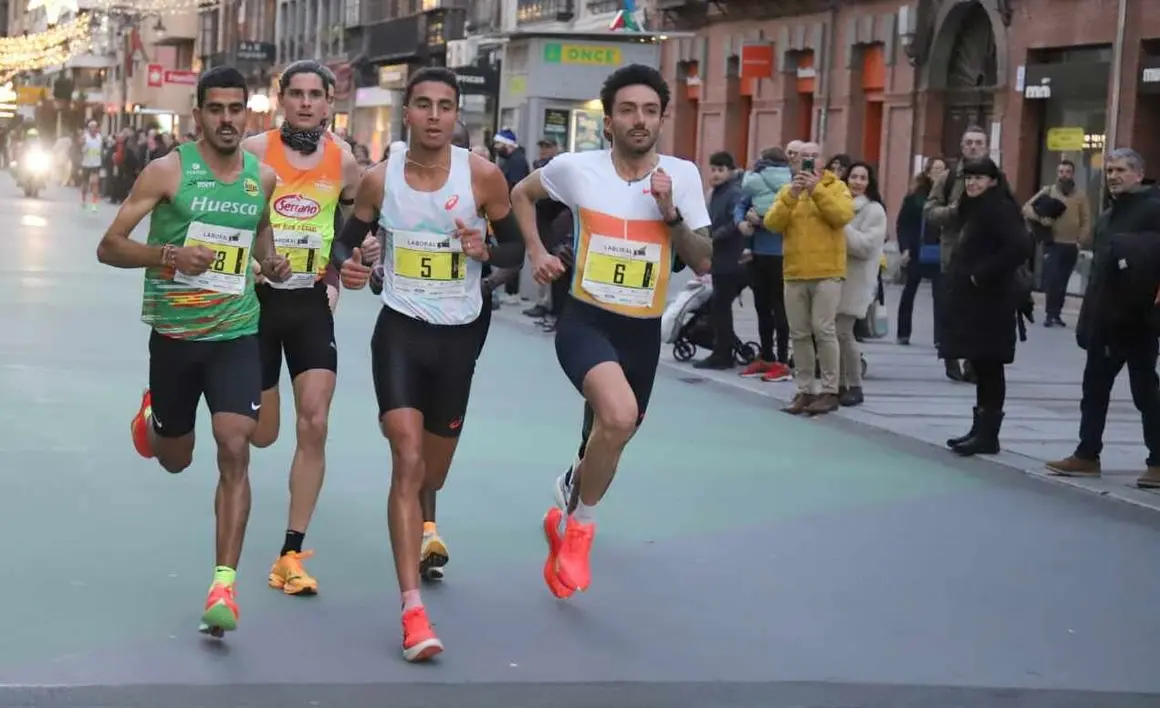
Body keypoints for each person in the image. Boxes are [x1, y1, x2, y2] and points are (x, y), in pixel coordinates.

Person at [330, 67, 526, 661]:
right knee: (407, 462)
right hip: (399, 332)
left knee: (431, 475)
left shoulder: (484, 177)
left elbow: (515, 248)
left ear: (456, 115)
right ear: (406, 114)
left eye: (445, 105)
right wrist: (352, 263)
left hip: (461, 335)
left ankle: (425, 522)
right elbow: (344, 242)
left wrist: (485, 249)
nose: (435, 116)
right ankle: (413, 611)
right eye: (423, 105)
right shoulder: (379, 181)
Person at [95, 66, 292, 636]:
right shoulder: (167, 172)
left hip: (236, 333)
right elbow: (109, 246)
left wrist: (270, 264)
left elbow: (259, 240)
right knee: (175, 457)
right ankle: (153, 417)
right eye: (217, 109)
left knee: (236, 445)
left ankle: (224, 584)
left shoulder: (263, 178)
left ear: (248, 115)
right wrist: (168, 257)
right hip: (177, 337)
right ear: (198, 115)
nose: (228, 119)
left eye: (237, 110)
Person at [510, 64, 712, 601]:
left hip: (641, 331)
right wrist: (536, 252)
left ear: (663, 119)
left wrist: (670, 214)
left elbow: (704, 260)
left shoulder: (683, 176)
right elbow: (522, 195)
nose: (639, 119)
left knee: (613, 437)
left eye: (650, 110)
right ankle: (578, 531)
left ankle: (570, 497)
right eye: (628, 109)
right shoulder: (578, 169)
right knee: (617, 414)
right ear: (609, 120)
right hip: (586, 320)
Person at [241, 60, 377, 597]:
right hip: (254, 304)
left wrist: (356, 263)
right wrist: (252, 261)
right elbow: (229, 216)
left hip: (310, 305)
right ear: (281, 100)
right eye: (294, 94)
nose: (303, 103)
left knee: (314, 423)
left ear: (328, 103)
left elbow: (355, 230)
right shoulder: (254, 153)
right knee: (261, 433)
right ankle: (172, 403)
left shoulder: (345, 165)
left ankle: (290, 553)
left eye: (313, 95)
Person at [1047, 148, 1160, 487]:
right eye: (1109, 170)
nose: (1113, 176)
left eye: (1121, 170)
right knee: (1094, 389)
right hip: (1105, 318)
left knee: (1146, 392)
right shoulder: (1109, 216)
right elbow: (1098, 273)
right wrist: (1087, 320)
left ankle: (1158, 461)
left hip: (1139, 320)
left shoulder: (1154, 209)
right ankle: (1086, 454)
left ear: (1138, 175)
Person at [939, 158, 1031, 456]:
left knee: (990, 365)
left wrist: (982, 274)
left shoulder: (1000, 208)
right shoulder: (973, 207)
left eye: (979, 178)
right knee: (980, 363)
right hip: (974, 300)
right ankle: (979, 429)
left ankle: (989, 435)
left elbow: (1020, 248)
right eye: (968, 178)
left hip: (993, 300)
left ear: (993, 180)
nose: (972, 183)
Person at [765, 140, 854, 416]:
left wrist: (816, 190)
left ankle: (830, 390)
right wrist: (793, 194)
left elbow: (841, 216)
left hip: (827, 271)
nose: (807, 162)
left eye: (813, 157)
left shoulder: (836, 187)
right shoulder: (787, 190)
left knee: (823, 329)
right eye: (802, 157)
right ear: (793, 162)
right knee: (799, 333)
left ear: (822, 162)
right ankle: (805, 389)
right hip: (795, 271)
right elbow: (772, 223)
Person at [926, 126, 991, 383]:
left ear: (986, 147)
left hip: (984, 257)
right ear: (962, 147)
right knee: (952, 311)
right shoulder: (949, 177)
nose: (973, 147)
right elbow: (930, 211)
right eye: (969, 143)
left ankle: (974, 363)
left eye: (978, 143)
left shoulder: (995, 177)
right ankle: (951, 356)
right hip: (953, 255)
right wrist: (953, 212)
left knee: (979, 313)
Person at [735, 146, 793, 379]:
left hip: (769, 252)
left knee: (768, 308)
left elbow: (740, 205)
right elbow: (742, 204)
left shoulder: (762, 180)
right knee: (774, 307)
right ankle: (772, 358)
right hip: (772, 253)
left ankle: (776, 359)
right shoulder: (790, 182)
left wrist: (745, 221)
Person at [836, 161, 887, 406]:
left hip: (856, 280)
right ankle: (838, 384)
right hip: (833, 277)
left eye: (863, 178)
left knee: (844, 333)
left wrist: (841, 225)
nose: (857, 182)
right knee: (832, 334)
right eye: (853, 177)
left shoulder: (874, 210)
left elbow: (865, 247)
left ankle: (854, 385)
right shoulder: (840, 204)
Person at [1021, 158, 1091, 327]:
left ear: (1072, 174)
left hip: (1070, 245)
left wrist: (1080, 240)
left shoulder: (1080, 195)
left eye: (1067, 172)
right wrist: (1040, 218)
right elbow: (1026, 208)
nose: (1064, 175)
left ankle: (1057, 313)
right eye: (1061, 172)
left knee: (1063, 281)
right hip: (1052, 243)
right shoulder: (1048, 191)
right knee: (1052, 279)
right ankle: (1050, 314)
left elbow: (1087, 220)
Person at [694, 150, 745, 369]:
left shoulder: (734, 193)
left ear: (730, 171)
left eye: (720, 170)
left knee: (720, 306)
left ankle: (723, 354)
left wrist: (713, 237)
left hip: (732, 259)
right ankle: (724, 349)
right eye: (713, 169)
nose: (715, 174)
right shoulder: (715, 192)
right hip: (720, 259)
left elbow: (735, 223)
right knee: (719, 307)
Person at [896, 157, 949, 345]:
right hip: (917, 250)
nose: (939, 174)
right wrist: (905, 248)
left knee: (941, 296)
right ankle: (903, 332)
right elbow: (903, 224)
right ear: (927, 173)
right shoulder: (915, 196)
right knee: (909, 292)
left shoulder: (950, 195)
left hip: (941, 250)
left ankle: (940, 338)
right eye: (935, 170)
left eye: (942, 170)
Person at [79, 121, 103, 209]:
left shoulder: (99, 137)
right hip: (86, 163)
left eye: (95, 127)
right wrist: (82, 142)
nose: (93, 129)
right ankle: (83, 200)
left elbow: (101, 148)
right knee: (85, 184)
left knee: (95, 183)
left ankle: (94, 203)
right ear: (89, 129)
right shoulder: (85, 137)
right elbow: (80, 144)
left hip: (96, 164)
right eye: (92, 127)